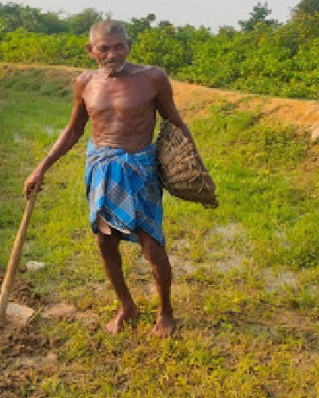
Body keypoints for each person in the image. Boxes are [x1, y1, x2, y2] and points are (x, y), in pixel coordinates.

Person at [23, 20, 198, 338]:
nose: (112, 53)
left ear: (129, 45)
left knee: (152, 247)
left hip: (140, 171)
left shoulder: (152, 78)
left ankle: (166, 311)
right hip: (102, 169)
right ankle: (126, 305)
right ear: (91, 51)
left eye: (119, 46)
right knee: (105, 242)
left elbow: (176, 121)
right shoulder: (85, 82)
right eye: (104, 48)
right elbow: (74, 130)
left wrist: (194, 164)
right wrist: (41, 167)